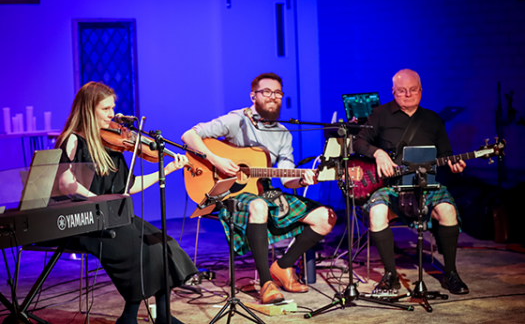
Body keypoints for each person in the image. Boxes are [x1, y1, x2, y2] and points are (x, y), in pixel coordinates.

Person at [181, 72, 337, 304]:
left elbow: (287, 179)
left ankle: (282, 267)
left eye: (277, 93)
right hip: (230, 193)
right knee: (258, 205)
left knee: (326, 217)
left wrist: (303, 180)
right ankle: (266, 283)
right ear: (253, 96)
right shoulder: (237, 120)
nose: (273, 97)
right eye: (266, 92)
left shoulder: (283, 133)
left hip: (263, 191)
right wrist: (217, 160)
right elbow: (189, 136)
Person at [56, 81, 198, 324]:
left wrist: (168, 168)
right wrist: (97, 201)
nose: (113, 115)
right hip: (88, 220)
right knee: (140, 251)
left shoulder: (111, 143)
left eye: (113, 108)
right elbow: (65, 183)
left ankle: (163, 315)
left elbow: (129, 186)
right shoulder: (73, 140)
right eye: (106, 109)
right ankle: (129, 317)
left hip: (116, 216)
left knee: (163, 245)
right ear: (89, 109)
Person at [353, 69, 469, 295]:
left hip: (426, 184)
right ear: (393, 91)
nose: (408, 94)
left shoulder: (433, 119)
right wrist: (378, 153)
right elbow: (358, 144)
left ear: (421, 91)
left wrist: (455, 164)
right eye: (402, 91)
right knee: (376, 214)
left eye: (413, 90)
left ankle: (451, 273)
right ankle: (390, 276)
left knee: (447, 211)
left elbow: (446, 152)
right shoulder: (380, 114)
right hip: (392, 186)